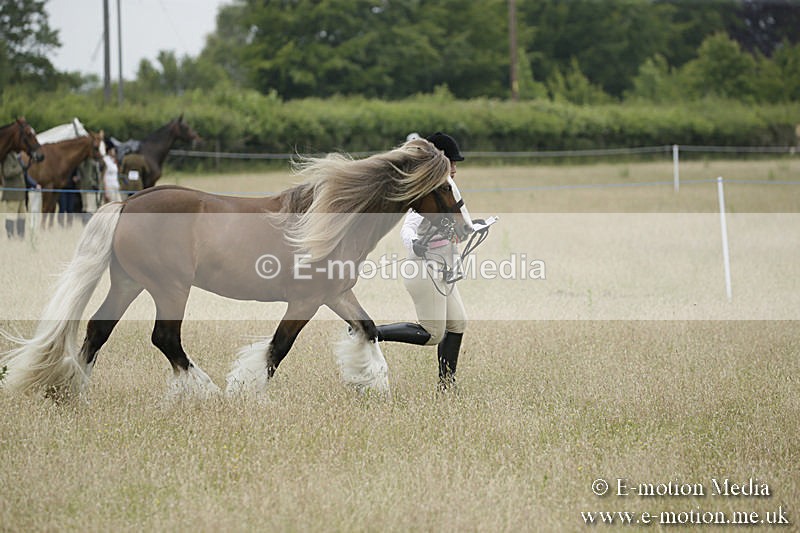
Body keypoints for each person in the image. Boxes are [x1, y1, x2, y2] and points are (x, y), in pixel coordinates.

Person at [375, 132, 470, 390]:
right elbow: (408, 228)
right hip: (424, 268)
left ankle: (446, 388)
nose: (454, 168)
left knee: (458, 323)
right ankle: (371, 333)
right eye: (451, 162)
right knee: (432, 334)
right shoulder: (430, 191)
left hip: (444, 268)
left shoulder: (448, 188)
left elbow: (462, 224)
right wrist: (415, 245)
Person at [1, 152, 38, 239]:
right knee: (11, 215)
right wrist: (20, 168)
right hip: (13, 194)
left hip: (21, 194)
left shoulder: (18, 157)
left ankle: (21, 235)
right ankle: (10, 236)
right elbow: (7, 172)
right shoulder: (7, 157)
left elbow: (24, 174)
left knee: (22, 215)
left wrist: (34, 184)